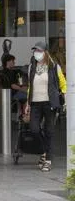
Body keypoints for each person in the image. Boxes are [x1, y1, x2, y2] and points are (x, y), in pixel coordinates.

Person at [24, 41, 66, 172]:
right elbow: (30, 86)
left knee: (49, 131)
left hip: (50, 103)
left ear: (45, 52)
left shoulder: (54, 66)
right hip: (35, 103)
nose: (36, 53)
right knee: (34, 129)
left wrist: (64, 98)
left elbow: (63, 84)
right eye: (35, 50)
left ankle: (48, 160)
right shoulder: (32, 67)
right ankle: (43, 152)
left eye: (39, 51)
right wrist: (28, 103)